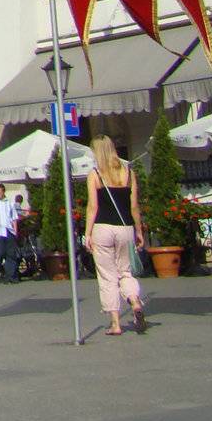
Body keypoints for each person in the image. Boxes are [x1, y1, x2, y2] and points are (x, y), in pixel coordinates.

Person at [85, 135, 147, 336]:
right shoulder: (128, 173)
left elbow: (92, 207)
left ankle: (115, 323)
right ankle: (135, 301)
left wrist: (87, 233)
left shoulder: (95, 174)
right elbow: (134, 206)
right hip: (125, 227)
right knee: (125, 271)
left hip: (102, 227)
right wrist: (139, 231)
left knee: (107, 276)